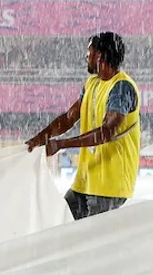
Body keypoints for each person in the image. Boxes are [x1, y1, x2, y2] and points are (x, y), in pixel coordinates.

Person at [27, 32, 140, 221]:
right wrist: (39, 138)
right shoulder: (91, 83)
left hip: (110, 184)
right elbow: (68, 118)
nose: (86, 57)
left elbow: (105, 133)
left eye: (89, 53)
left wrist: (61, 145)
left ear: (101, 56)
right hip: (86, 181)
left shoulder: (121, 88)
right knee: (62, 226)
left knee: (92, 241)